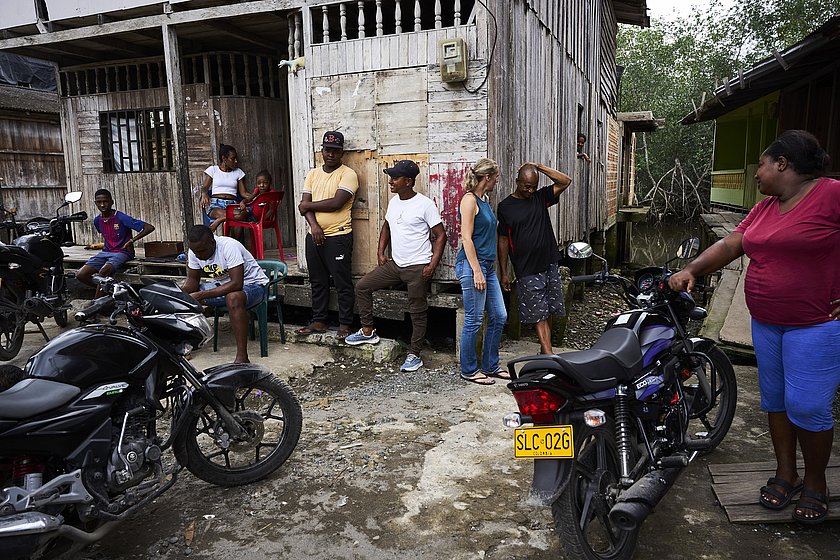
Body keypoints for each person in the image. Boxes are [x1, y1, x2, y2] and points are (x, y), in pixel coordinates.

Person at [669, 130, 839, 525]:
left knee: (809, 406)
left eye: (761, 165)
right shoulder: (765, 208)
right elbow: (732, 245)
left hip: (815, 325)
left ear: (782, 163)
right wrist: (692, 268)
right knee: (776, 401)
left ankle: (816, 483)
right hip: (767, 323)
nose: (757, 173)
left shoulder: (830, 195)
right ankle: (786, 473)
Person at [345, 160, 447, 372]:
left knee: (417, 310)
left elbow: (440, 235)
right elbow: (387, 226)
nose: (390, 181)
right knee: (363, 286)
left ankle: (415, 354)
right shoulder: (394, 202)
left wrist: (432, 265)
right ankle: (367, 331)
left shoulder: (425, 204)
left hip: (417, 267)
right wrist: (380, 252)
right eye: (391, 177)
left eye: (395, 178)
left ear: (408, 181)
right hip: (395, 265)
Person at [497, 162, 572, 355]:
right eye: (526, 186)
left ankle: (544, 349)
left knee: (549, 307)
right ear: (517, 182)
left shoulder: (540, 197)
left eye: (533, 187)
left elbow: (565, 181)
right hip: (526, 267)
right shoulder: (505, 207)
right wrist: (504, 272)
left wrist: (538, 167)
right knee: (538, 312)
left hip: (549, 260)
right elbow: (503, 240)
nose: (530, 190)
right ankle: (548, 352)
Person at [295, 131, 359, 339]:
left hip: (339, 236)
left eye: (335, 150)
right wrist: (314, 227)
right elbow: (305, 209)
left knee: (342, 282)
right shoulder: (313, 174)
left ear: (341, 152)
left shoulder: (347, 174)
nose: (330, 154)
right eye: (327, 150)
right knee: (318, 281)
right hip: (315, 236)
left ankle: (345, 324)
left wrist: (307, 205)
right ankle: (319, 320)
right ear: (321, 151)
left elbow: (336, 203)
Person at [183, 225, 269, 364]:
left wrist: (202, 295)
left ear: (212, 242)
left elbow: (236, 284)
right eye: (195, 251)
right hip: (221, 286)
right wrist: (178, 294)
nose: (198, 255)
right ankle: (184, 346)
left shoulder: (229, 246)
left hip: (253, 286)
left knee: (233, 298)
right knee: (182, 299)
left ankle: (242, 357)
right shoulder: (195, 250)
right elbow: (192, 281)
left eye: (201, 251)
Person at [455, 158, 508, 385]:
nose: (497, 181)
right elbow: (466, 238)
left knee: (499, 315)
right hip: (471, 265)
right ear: (487, 177)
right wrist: (476, 271)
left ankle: (490, 365)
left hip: (487, 266)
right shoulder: (469, 200)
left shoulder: (485, 200)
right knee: (474, 319)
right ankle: (468, 369)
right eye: (496, 177)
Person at [76, 189, 155, 290]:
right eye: (99, 202)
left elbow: (149, 227)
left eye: (105, 201)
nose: (102, 205)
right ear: (96, 203)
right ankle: (110, 291)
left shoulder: (121, 217)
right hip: (106, 252)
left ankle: (99, 301)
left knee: (104, 272)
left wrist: (132, 240)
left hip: (123, 252)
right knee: (81, 275)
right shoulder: (97, 220)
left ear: (111, 202)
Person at [200, 144, 252, 232]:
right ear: (224, 158)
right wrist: (204, 194)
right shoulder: (213, 170)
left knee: (243, 215)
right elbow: (205, 187)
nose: (235, 161)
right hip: (216, 205)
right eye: (232, 158)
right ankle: (224, 218)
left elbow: (244, 193)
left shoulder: (238, 172)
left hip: (233, 205)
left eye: (236, 159)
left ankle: (220, 220)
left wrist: (258, 197)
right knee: (238, 216)